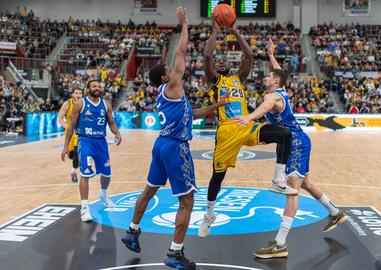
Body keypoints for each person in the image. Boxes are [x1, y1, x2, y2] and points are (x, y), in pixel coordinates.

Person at [120, 7, 229, 270]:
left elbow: (193, 113)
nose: (174, 69)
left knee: (149, 190)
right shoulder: (172, 85)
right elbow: (181, 52)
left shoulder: (167, 95)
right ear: (166, 77)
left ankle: (132, 232)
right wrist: (185, 25)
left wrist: (217, 106)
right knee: (187, 200)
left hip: (161, 145)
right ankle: (175, 253)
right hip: (175, 148)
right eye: (170, 70)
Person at [235, 39, 348, 258]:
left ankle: (280, 244)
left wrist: (248, 117)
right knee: (305, 183)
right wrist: (270, 55)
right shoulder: (281, 89)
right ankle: (335, 212)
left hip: (295, 143)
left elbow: (266, 106)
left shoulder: (273, 96)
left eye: (269, 75)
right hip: (299, 140)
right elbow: (279, 73)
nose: (266, 76)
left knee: (292, 190)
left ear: (275, 81)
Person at [198, 17, 298, 239]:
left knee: (284, 135)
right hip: (226, 131)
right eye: (219, 61)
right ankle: (209, 215)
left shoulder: (238, 79)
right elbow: (207, 55)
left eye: (225, 61)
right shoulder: (214, 80)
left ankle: (277, 180)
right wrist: (215, 31)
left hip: (248, 125)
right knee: (217, 177)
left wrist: (235, 32)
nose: (222, 62)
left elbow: (250, 56)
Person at [61, 79, 122, 222]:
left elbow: (111, 123)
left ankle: (103, 194)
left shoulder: (106, 105)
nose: (97, 88)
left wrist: (117, 133)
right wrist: (66, 146)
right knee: (85, 173)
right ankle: (84, 207)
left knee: (107, 174)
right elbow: (70, 127)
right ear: (88, 89)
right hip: (85, 141)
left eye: (99, 86)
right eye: (94, 86)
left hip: (101, 142)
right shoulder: (80, 104)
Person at [58, 88, 83, 182]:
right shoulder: (67, 104)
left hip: (79, 132)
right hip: (69, 132)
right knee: (71, 155)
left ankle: (73, 172)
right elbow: (60, 119)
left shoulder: (84, 104)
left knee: (77, 153)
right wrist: (67, 127)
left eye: (80, 93)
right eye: (76, 93)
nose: (78, 95)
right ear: (72, 94)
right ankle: (71, 157)